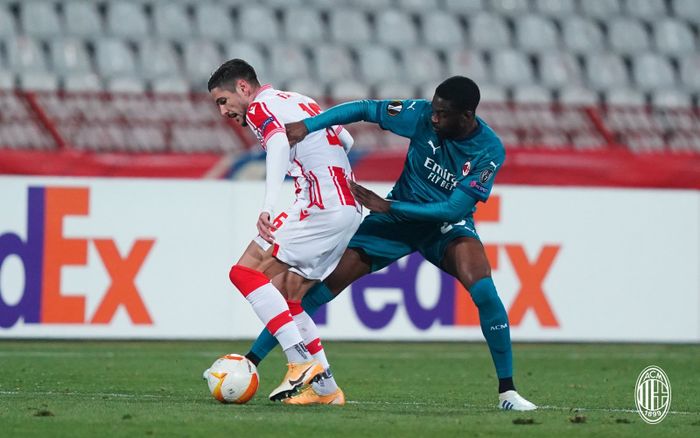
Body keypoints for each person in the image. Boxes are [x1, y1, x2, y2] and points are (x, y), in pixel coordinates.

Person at [245, 76, 537, 411]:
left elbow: (455, 208)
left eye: (444, 114)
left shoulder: (488, 150)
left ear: (467, 116)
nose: (435, 118)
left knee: (485, 292)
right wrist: (308, 126)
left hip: (443, 225)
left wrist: (388, 206)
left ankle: (508, 392)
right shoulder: (422, 115)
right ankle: (255, 361)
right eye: (434, 110)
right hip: (395, 225)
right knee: (315, 292)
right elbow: (364, 109)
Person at [207, 59, 361, 405]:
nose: (223, 112)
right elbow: (346, 139)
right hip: (347, 207)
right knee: (289, 293)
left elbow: (277, 144)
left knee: (245, 272)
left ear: (243, 88)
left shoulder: (260, 106)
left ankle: (299, 361)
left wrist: (268, 204)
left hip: (322, 205)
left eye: (223, 101)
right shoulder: (298, 99)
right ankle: (326, 390)